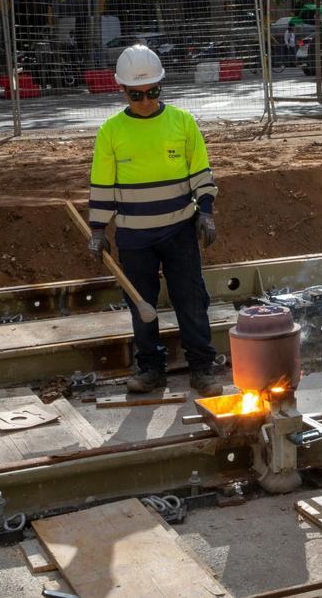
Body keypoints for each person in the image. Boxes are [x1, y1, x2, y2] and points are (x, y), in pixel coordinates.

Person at [87, 44, 223, 397]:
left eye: (153, 92)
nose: (145, 100)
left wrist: (205, 213)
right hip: (134, 237)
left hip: (179, 229)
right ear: (122, 90)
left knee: (191, 299)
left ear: (162, 86)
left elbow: (201, 174)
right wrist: (98, 230)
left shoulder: (182, 122)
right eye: (137, 94)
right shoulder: (111, 132)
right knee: (140, 304)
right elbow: (103, 186)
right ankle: (150, 368)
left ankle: (202, 367)